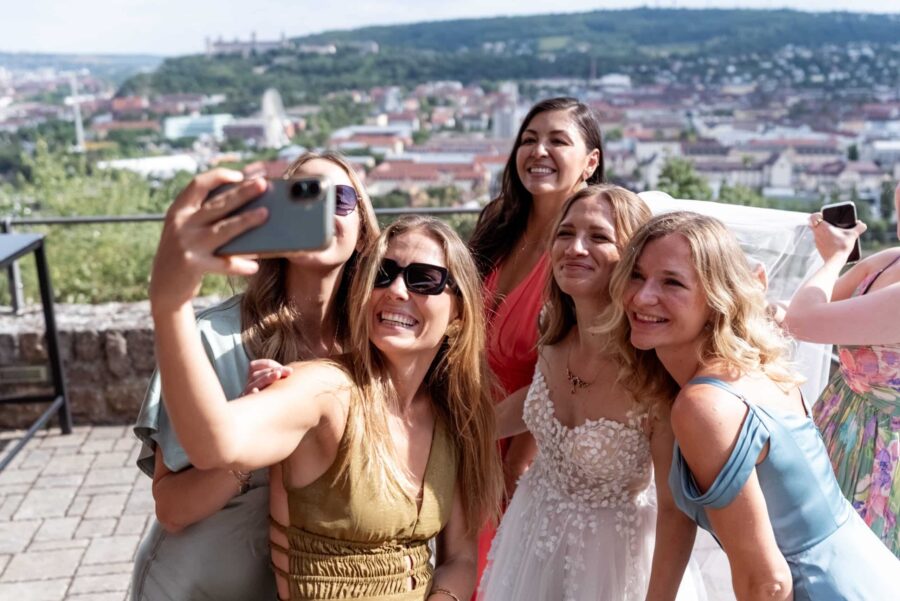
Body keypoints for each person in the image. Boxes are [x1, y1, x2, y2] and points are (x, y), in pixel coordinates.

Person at [148, 202, 504, 600]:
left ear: (458, 314)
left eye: (425, 280)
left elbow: (460, 558)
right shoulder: (325, 391)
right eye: (383, 275)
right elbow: (215, 441)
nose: (397, 290)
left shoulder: (452, 415)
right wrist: (171, 307)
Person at [604, 210, 899, 600]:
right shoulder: (748, 367)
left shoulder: (704, 404)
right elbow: (677, 512)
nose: (641, 297)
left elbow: (769, 583)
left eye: (672, 282)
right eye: (636, 276)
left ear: (718, 298)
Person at [131, 152, 379, 601]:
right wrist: (246, 445)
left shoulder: (377, 349)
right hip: (201, 587)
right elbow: (172, 509)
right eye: (302, 198)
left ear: (363, 230)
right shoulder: (212, 339)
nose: (322, 212)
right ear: (275, 222)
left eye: (339, 199)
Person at [478, 185, 704, 600]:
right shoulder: (552, 330)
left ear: (633, 257)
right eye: (565, 233)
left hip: (614, 565)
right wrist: (441, 428)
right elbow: (534, 402)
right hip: (530, 539)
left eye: (598, 237)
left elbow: (675, 511)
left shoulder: (654, 369)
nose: (575, 248)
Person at [467, 97, 604, 578]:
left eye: (557, 141)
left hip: (523, 450)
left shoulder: (583, 256)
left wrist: (512, 466)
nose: (538, 150)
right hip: (465, 431)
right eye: (528, 139)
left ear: (591, 162)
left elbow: (573, 369)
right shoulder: (497, 226)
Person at [783, 184, 900, 556]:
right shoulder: (889, 260)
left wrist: (834, 257)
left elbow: (804, 321)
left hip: (883, 458)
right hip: (843, 429)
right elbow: (807, 310)